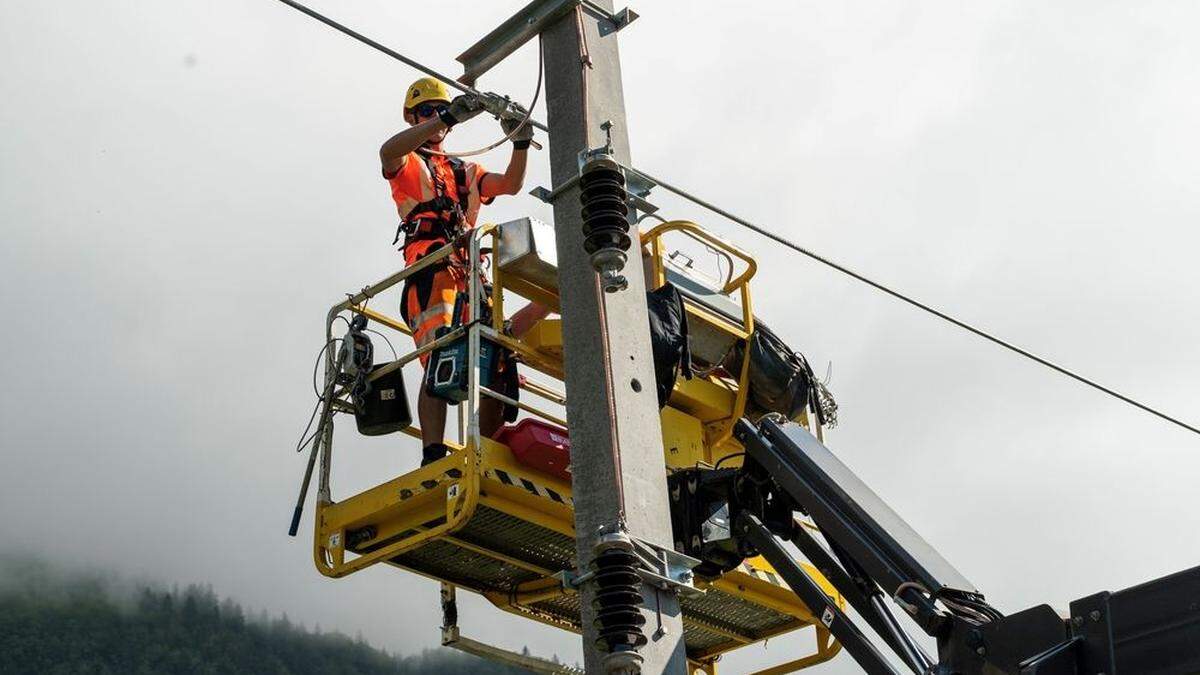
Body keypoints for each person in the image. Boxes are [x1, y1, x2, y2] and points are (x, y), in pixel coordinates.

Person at [381, 77, 546, 466]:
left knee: (497, 356)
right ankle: (433, 453)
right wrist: (450, 117)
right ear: (412, 118)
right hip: (432, 269)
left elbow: (509, 184)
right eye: (425, 111)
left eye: (438, 109)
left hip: (472, 276)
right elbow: (387, 151)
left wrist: (520, 142)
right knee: (441, 355)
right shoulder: (408, 162)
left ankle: (482, 453)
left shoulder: (463, 170)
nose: (433, 117)